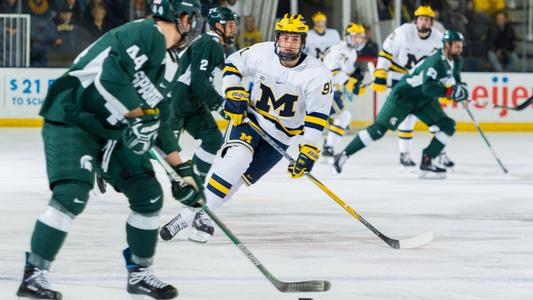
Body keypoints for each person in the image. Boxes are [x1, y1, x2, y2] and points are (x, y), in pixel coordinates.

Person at [16, 1, 202, 299]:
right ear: (180, 18)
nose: (192, 27)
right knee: (71, 195)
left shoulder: (170, 62)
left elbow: (161, 120)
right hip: (74, 116)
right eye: (190, 20)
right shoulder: (146, 33)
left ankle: (140, 273)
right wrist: (138, 118)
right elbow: (111, 78)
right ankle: (35, 274)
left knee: (148, 194)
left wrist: (182, 171)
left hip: (113, 129)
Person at [161, 13, 333, 243]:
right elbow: (233, 65)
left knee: (238, 179)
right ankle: (203, 214)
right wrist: (233, 90)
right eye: (284, 38)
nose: (288, 44)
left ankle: (191, 215)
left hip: (281, 137)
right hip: (250, 121)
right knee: (235, 161)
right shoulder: (262, 52)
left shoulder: (318, 75)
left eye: (294, 39)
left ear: (303, 42)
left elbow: (316, 116)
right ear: (277, 39)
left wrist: (308, 149)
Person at [333, 30, 468, 179]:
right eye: (457, 46)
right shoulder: (436, 62)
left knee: (447, 125)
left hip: (423, 100)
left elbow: (456, 81)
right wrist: (450, 93)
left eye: (461, 46)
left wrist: (462, 89)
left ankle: (427, 160)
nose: (460, 49)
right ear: (447, 45)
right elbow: (428, 87)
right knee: (378, 130)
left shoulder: (456, 60)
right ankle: (343, 155)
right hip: (404, 96)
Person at [159, 6, 238, 243]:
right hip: (177, 101)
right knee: (163, 157)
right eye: (229, 25)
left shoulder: (216, 45)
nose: (233, 29)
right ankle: (107, 165)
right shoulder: (209, 43)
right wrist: (220, 105)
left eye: (234, 25)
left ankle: (197, 196)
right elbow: (199, 83)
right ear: (217, 26)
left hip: (191, 102)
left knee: (214, 140)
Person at [370, 5, 452, 168]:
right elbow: (386, 52)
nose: (423, 22)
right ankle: (404, 154)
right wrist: (380, 73)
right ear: (416, 21)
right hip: (400, 77)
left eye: (427, 20)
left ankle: (439, 153)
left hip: (423, 80)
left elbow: (445, 63)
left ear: (431, 22)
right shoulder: (403, 32)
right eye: (421, 19)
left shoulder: (439, 38)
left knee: (436, 116)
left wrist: (445, 85)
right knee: (407, 117)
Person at [321, 23, 367, 160]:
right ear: (347, 37)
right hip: (323, 90)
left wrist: (354, 76)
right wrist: (350, 82)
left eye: (360, 37)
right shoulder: (341, 50)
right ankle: (327, 149)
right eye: (355, 37)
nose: (358, 40)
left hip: (330, 90)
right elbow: (331, 72)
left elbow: (342, 70)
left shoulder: (349, 51)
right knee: (343, 117)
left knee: (340, 118)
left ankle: (327, 147)